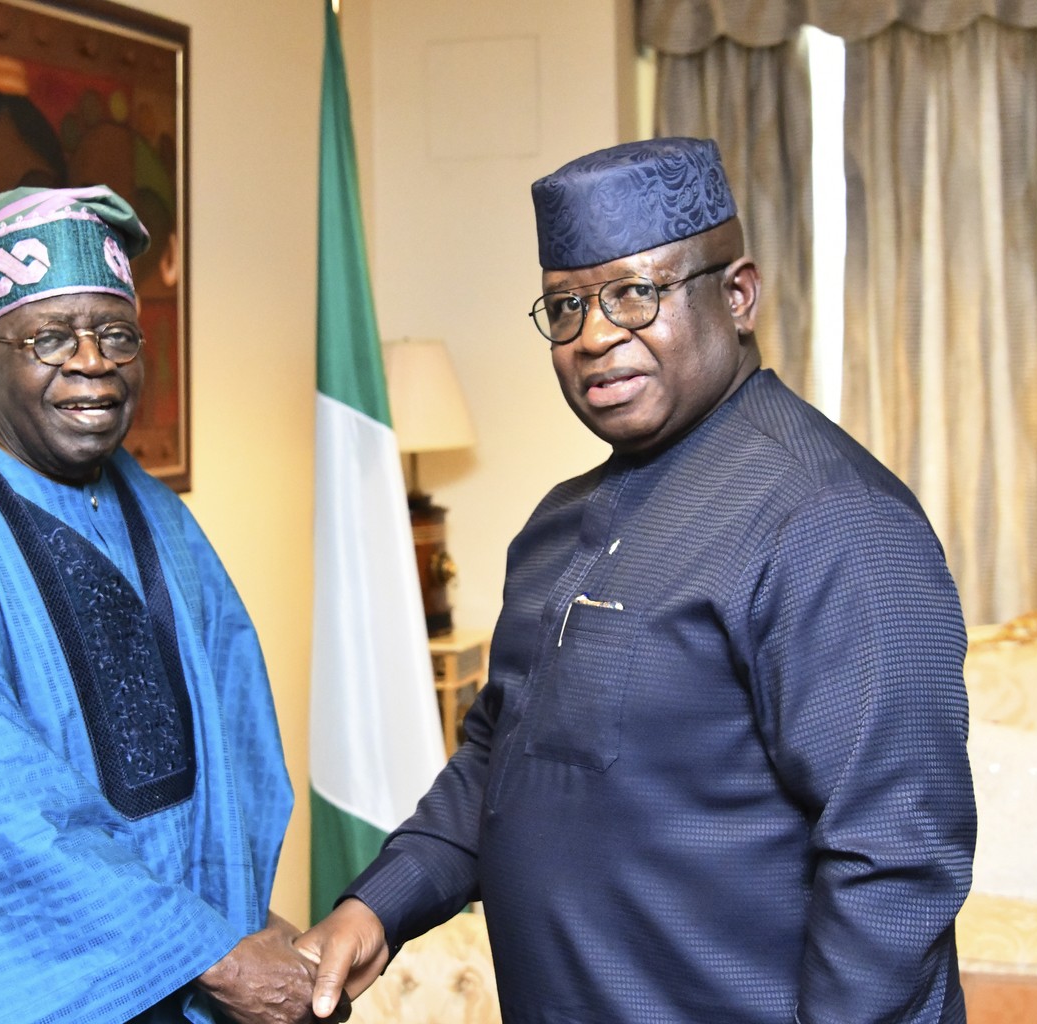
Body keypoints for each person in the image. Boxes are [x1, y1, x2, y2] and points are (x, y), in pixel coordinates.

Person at [299, 138, 976, 1022]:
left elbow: (896, 861)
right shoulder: (554, 525)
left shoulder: (833, 519)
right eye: (565, 306)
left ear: (738, 294)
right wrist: (377, 902)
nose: (595, 338)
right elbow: (499, 759)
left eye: (635, 294)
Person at [0, 186, 316, 1024]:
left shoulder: (160, 512)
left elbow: (236, 734)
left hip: (173, 969)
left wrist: (237, 910)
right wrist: (207, 947)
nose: (92, 362)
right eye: (50, 338)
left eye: (116, 334)